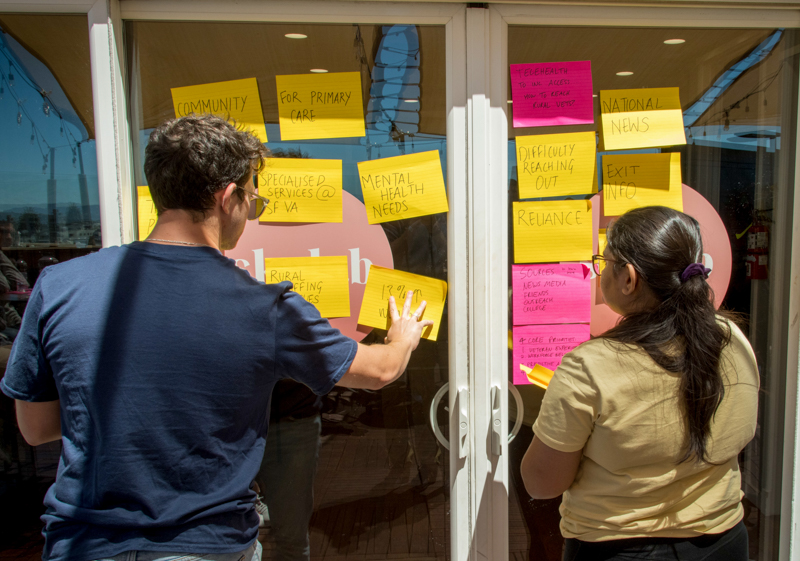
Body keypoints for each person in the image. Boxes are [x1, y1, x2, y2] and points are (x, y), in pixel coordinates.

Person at [0, 114, 434, 561]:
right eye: (254, 201)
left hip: (80, 545)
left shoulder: (58, 285)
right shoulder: (264, 307)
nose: (252, 214)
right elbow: (379, 372)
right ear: (228, 198)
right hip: (204, 546)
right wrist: (401, 336)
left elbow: (35, 429)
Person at [521, 206, 759, 561]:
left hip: (620, 550)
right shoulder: (731, 338)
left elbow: (541, 483)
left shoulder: (591, 366)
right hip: (724, 541)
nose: (599, 271)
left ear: (628, 278)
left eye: (604, 261)